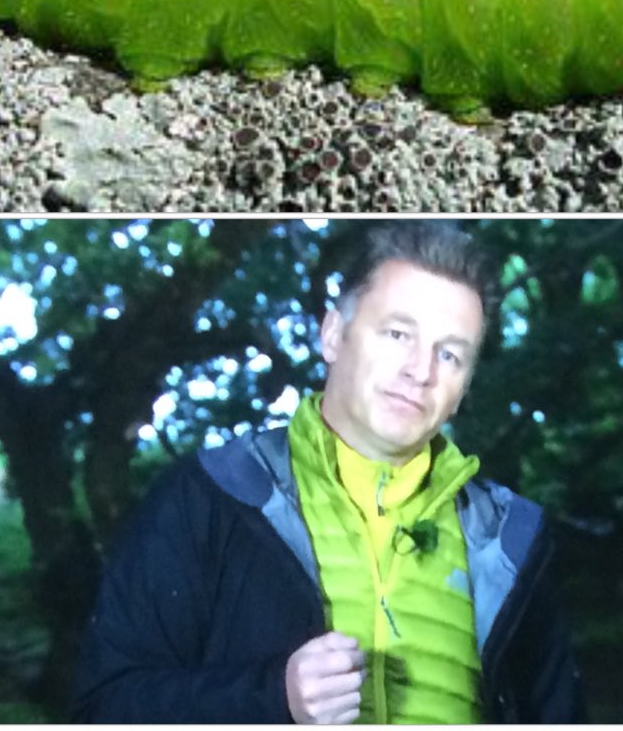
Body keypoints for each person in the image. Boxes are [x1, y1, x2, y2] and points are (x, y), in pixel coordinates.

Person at [72, 222, 585, 723]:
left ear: (464, 386)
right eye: (398, 333)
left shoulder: (510, 542)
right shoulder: (211, 497)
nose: (420, 371)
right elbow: (104, 707)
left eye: (449, 354)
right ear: (333, 335)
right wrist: (271, 697)